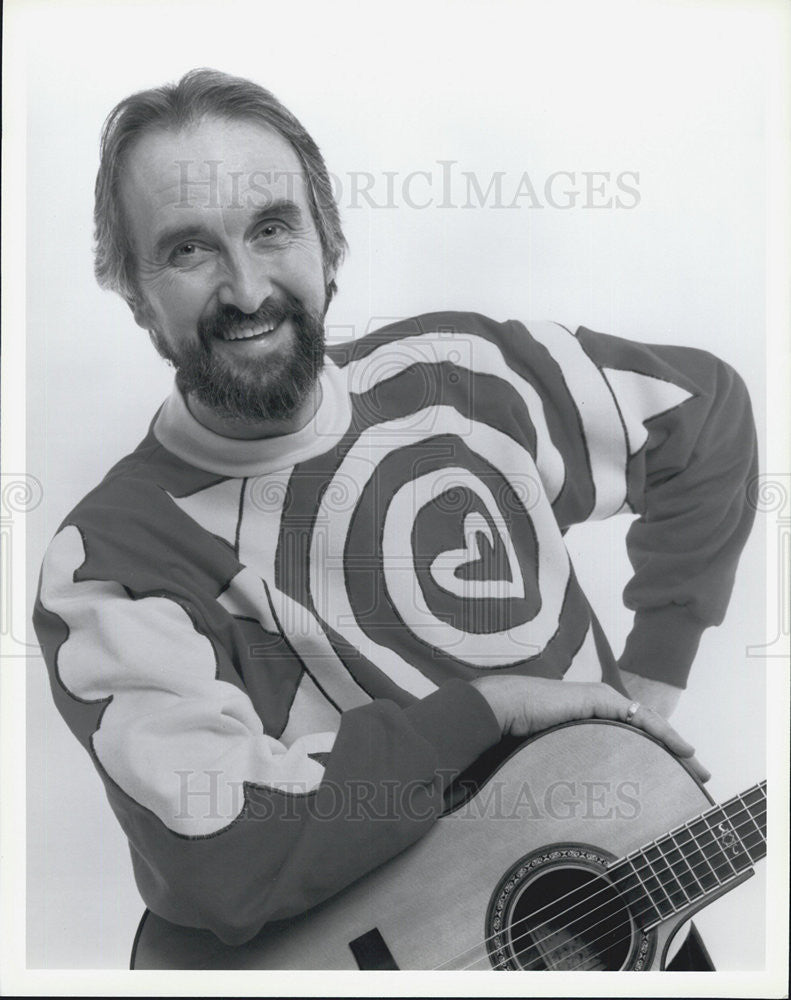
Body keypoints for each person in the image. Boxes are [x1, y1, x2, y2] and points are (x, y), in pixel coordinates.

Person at [32, 68, 757, 962]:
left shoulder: (467, 377)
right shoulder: (109, 559)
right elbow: (218, 852)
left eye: (271, 228)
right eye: (187, 251)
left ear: (328, 244)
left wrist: (644, 702)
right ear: (134, 293)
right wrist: (487, 710)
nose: (248, 289)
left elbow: (702, 417)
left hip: (601, 917)